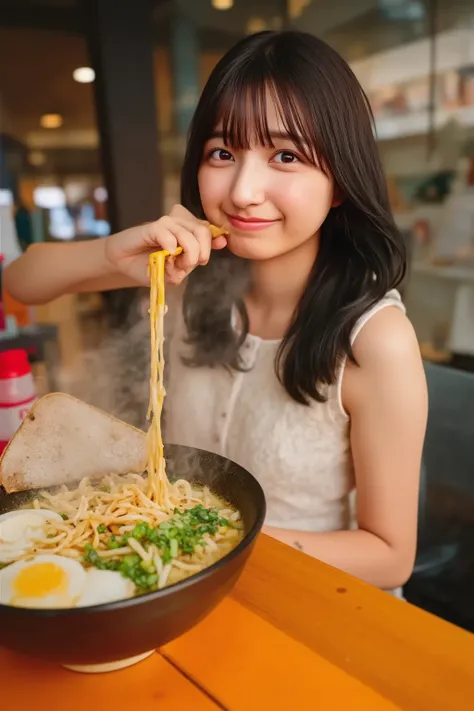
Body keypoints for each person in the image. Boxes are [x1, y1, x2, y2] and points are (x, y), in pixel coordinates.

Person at [4, 30, 427, 594]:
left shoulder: (376, 340)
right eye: (223, 153)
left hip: (313, 602)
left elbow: (389, 557)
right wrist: (116, 252)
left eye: (286, 155)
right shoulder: (184, 276)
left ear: (340, 180)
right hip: (182, 584)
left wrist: (203, 534)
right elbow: (21, 280)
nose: (244, 190)